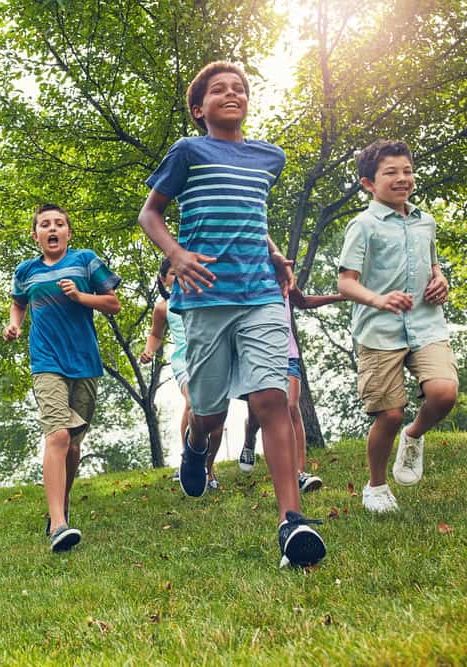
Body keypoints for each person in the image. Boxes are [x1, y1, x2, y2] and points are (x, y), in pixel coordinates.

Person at [138, 61, 326, 568]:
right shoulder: (188, 152)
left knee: (271, 398)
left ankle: (292, 520)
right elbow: (149, 213)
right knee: (210, 408)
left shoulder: (270, 157)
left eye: (239, 88)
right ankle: (197, 447)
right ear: (199, 109)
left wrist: (273, 255)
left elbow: (250, 215)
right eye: (218, 90)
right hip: (203, 299)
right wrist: (176, 255)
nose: (231, 94)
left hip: (260, 294)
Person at [338, 139, 458, 513]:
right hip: (379, 330)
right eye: (391, 172)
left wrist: (441, 280)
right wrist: (379, 298)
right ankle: (375, 486)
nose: (402, 178)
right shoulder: (363, 226)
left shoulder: (426, 221)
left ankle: (414, 435)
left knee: (444, 393)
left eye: (406, 170)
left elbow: (431, 263)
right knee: (388, 414)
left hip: (425, 324)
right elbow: (345, 282)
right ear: (368, 184)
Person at [4, 203, 121, 553]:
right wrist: (14, 325)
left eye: (59, 224)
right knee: (57, 435)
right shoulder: (25, 270)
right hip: (46, 361)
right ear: (35, 234)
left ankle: (63, 504)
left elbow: (113, 303)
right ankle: (58, 523)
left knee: (72, 444)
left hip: (84, 362)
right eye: (44, 225)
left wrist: (81, 296)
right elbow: (18, 303)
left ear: (69, 232)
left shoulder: (86, 260)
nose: (52, 229)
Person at [238, 287, 346, 494]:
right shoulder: (247, 274)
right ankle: (249, 438)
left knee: (291, 406)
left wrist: (340, 296)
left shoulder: (283, 277)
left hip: (287, 352)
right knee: (257, 417)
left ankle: (299, 474)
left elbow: (303, 301)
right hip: (255, 352)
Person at [140, 259, 224, 489]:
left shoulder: (203, 296)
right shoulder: (162, 307)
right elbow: (156, 335)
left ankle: (208, 468)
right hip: (183, 363)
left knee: (216, 417)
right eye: (172, 275)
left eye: (181, 273)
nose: (177, 279)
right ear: (163, 279)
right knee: (192, 402)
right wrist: (149, 351)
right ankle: (190, 460)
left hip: (211, 359)